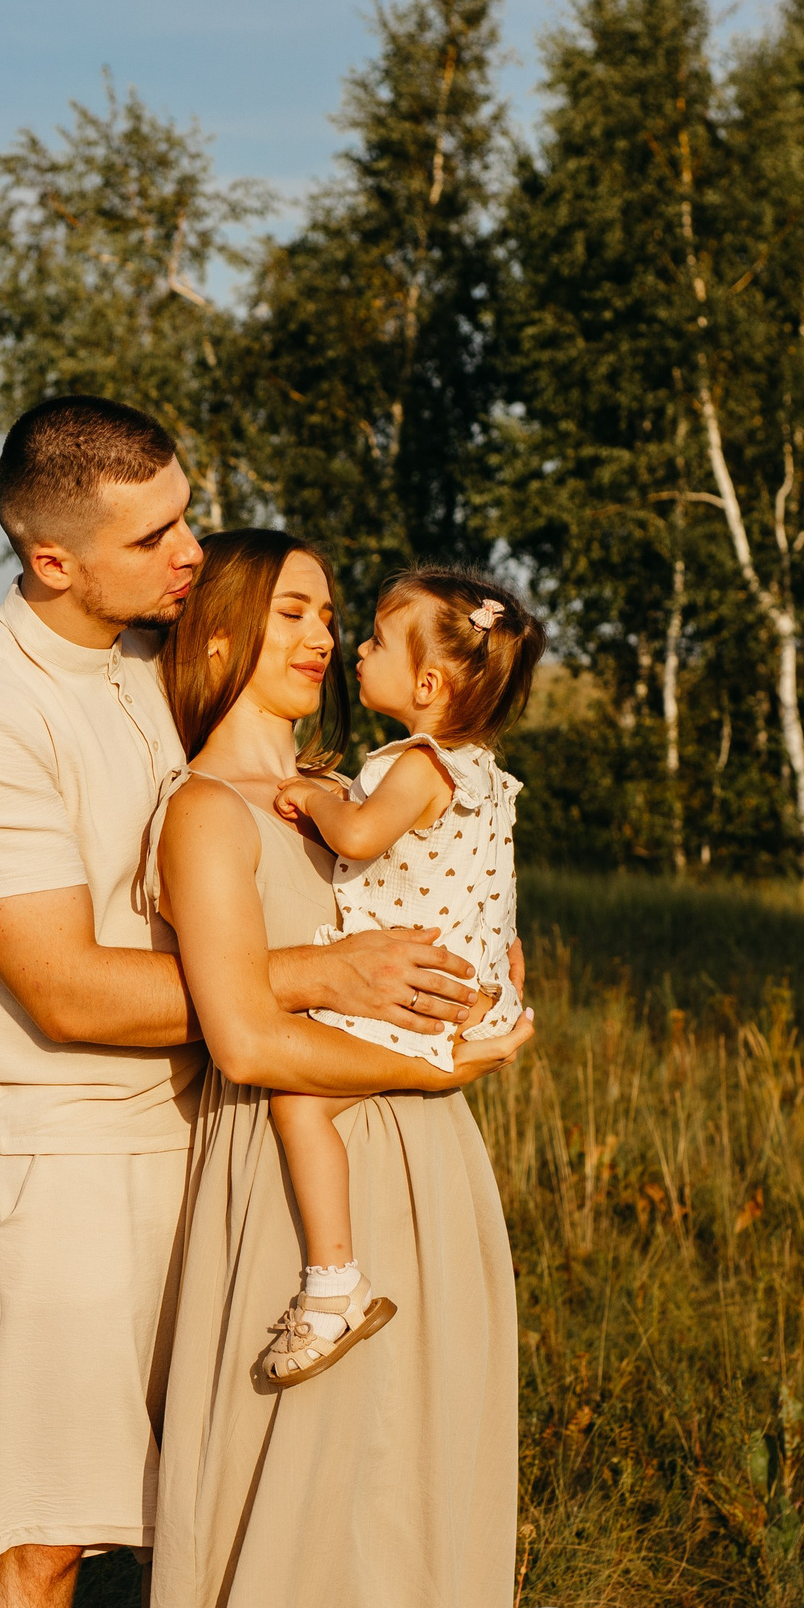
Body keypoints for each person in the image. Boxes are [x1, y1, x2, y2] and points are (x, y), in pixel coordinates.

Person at [0, 398, 506, 1608]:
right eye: (153, 537)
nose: (188, 553)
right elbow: (66, 990)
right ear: (51, 560)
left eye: (186, 518)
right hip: (62, 1165)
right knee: (43, 1538)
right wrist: (314, 977)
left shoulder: (146, 668)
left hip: (215, 1134)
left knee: (220, 1498)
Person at [146, 529, 531, 1608]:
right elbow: (248, 1044)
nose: (323, 635)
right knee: (307, 1508)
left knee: (407, 1498)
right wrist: (440, 1063)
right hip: (299, 1178)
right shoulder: (209, 808)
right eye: (293, 613)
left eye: (328, 614)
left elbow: (451, 908)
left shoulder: (347, 792)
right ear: (218, 636)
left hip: (426, 1163)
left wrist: (481, 981)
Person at [255, 567, 547, 1385]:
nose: (355, 648)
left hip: (417, 993)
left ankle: (332, 1286)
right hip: (474, 986)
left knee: (298, 1103)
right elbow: (491, 883)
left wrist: (313, 797)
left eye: (377, 641)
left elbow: (356, 835)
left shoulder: (417, 765)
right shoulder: (482, 770)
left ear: (426, 685)